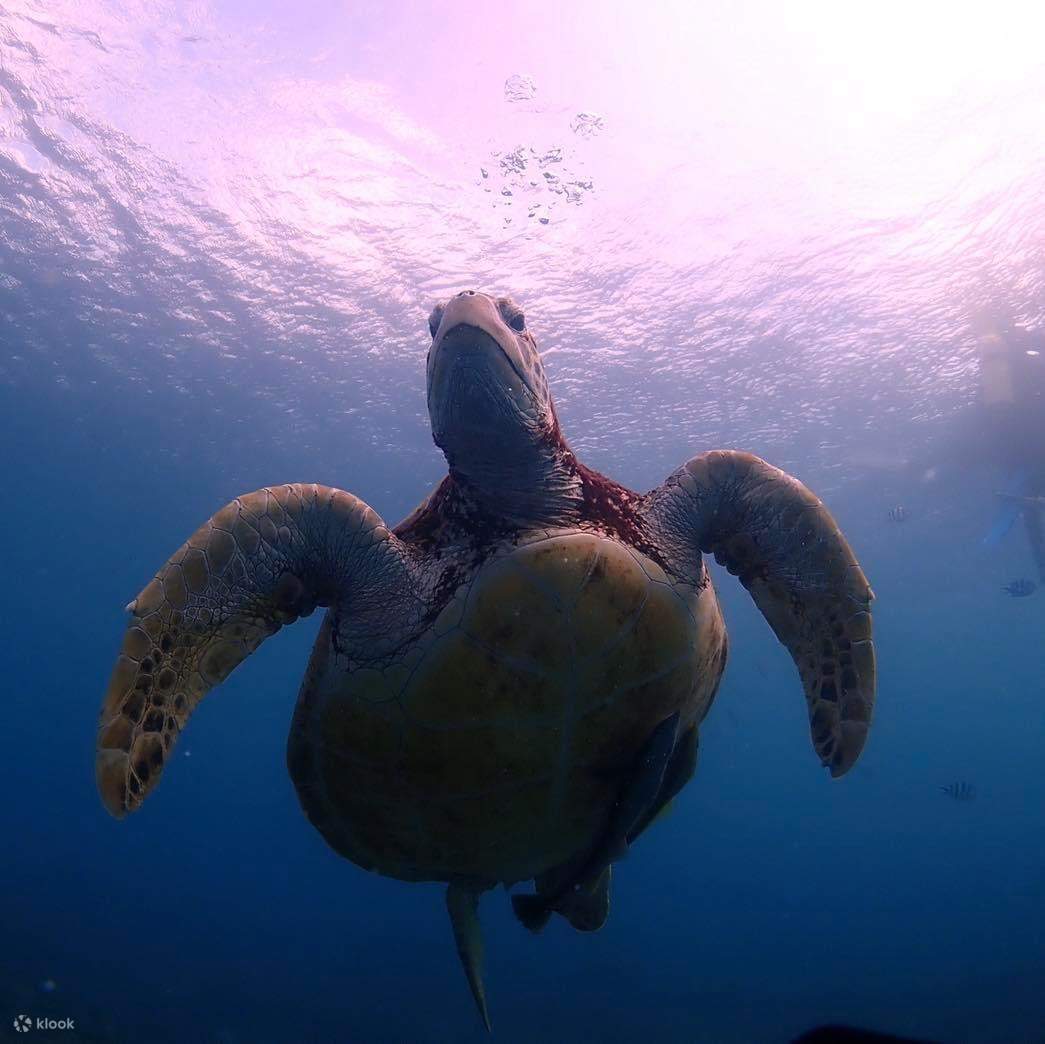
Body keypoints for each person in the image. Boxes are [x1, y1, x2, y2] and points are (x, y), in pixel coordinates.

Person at [976, 312, 1045, 582]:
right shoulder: (1027, 358)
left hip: (1016, 451)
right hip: (1030, 445)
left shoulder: (1002, 369)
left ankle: (1041, 566)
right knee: (1029, 506)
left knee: (1029, 510)